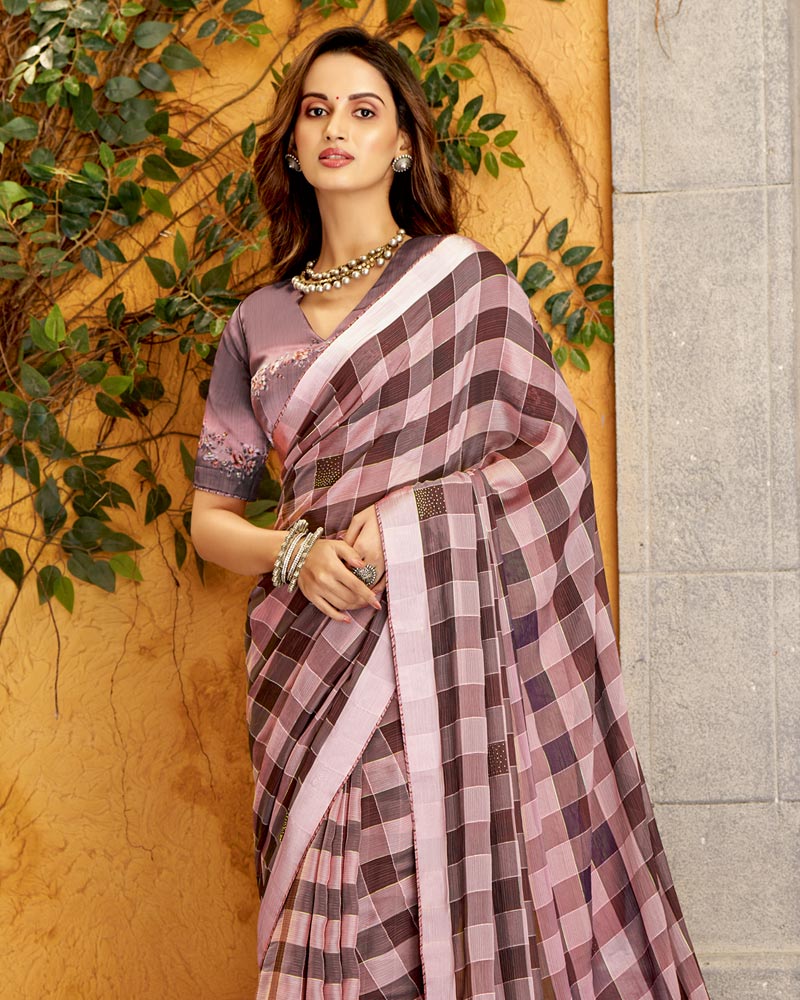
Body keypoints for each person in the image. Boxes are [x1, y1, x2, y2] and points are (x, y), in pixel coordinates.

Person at [190, 24, 710, 1000]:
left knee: (412, 886)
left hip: (440, 648)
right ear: (292, 144)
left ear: (401, 144)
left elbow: (548, 457)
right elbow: (210, 519)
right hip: (310, 660)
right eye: (316, 110)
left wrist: (415, 522)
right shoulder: (254, 322)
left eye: (362, 110)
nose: (335, 128)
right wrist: (295, 554)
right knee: (323, 911)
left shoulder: (467, 287)